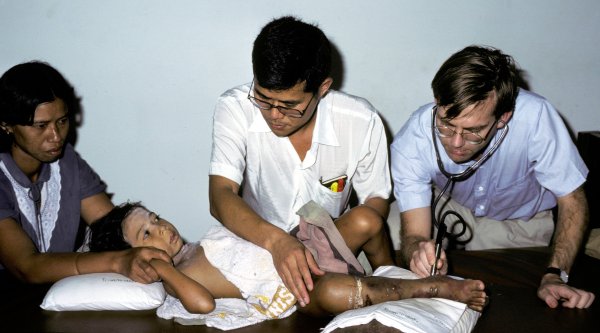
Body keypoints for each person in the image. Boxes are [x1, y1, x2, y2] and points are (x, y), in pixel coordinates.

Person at [209, 16, 394, 307]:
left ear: (323, 88)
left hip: (331, 244)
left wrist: (328, 248)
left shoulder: (361, 120)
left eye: (290, 106)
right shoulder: (234, 107)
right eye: (263, 98)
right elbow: (220, 195)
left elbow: (376, 199)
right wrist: (277, 242)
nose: (274, 115)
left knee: (365, 223)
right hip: (259, 244)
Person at [390, 45, 595, 309]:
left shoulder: (536, 118)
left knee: (512, 303)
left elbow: (573, 201)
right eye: (446, 124)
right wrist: (418, 249)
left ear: (503, 117)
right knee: (388, 226)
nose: (455, 142)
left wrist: (556, 275)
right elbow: (415, 234)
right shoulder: (413, 138)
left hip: (519, 221)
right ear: (437, 102)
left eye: (474, 130)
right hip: (450, 204)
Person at [89, 202, 488, 316]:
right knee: (331, 293)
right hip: (296, 285)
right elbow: (202, 304)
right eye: (147, 234)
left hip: (301, 248)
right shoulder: (173, 276)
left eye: (156, 218)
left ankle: (390, 272)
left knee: (368, 218)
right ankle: (431, 288)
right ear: (136, 254)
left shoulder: (203, 239)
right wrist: (159, 268)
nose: (161, 228)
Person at [0, 61, 170, 286]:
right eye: (41, 126)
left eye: (62, 121)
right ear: (6, 125)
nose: (56, 136)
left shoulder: (66, 162)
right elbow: (26, 266)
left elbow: (113, 232)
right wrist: (118, 262)